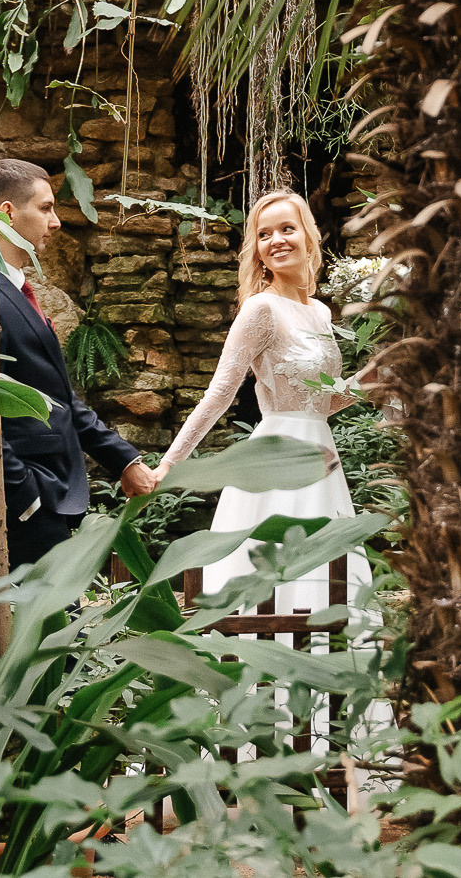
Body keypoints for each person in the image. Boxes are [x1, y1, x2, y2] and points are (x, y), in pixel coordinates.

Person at [154, 188, 370, 613]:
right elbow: (219, 394)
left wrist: (368, 383)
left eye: (287, 229)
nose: (277, 241)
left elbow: (319, 406)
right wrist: (169, 464)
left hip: (323, 458)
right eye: (265, 234)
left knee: (325, 570)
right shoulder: (260, 310)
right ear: (258, 251)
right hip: (276, 459)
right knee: (275, 577)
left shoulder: (322, 313)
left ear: (309, 236)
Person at [0, 158, 158, 569]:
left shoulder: (15, 290)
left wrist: (124, 460)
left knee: (59, 632)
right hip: (20, 513)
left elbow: (56, 397)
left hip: (47, 505)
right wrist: (26, 499)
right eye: (45, 208)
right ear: (6, 212)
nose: (56, 222)